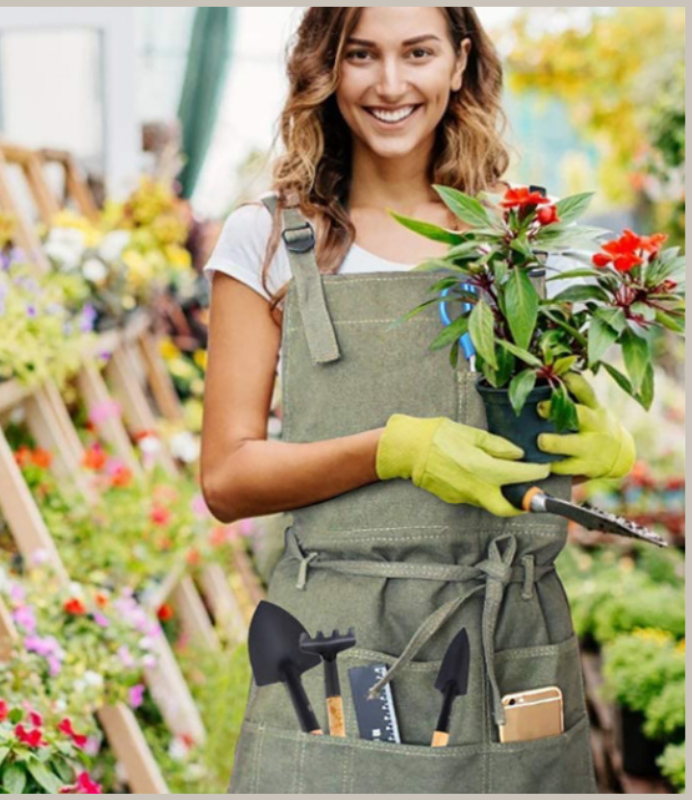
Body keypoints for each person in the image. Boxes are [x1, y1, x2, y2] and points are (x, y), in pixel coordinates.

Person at [201, 8, 633, 794]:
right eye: (361, 54)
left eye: (418, 52)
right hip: (337, 631)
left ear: (460, 63)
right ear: (326, 68)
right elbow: (226, 480)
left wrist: (606, 448)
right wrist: (390, 450)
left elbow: (542, 438)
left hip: (506, 636)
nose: (390, 83)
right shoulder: (269, 241)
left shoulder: (523, 242)